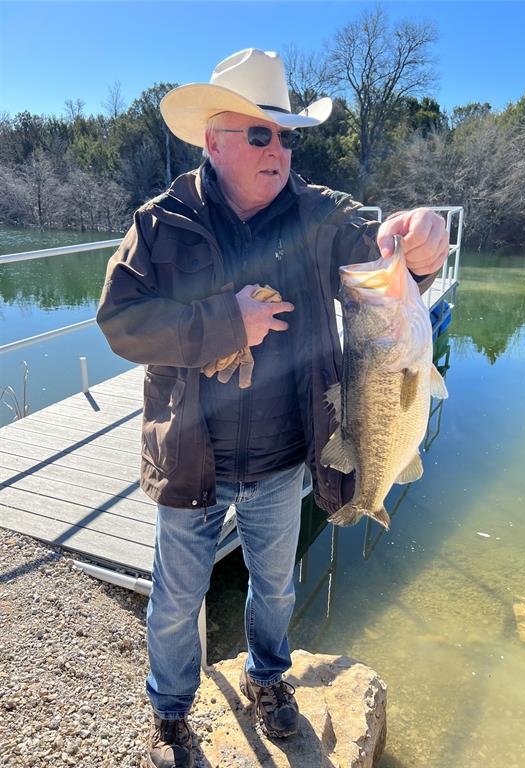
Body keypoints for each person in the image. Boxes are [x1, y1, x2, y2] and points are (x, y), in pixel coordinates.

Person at [97, 48, 448, 768]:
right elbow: (119, 322)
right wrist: (227, 322)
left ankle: (268, 680)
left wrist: (423, 240)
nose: (279, 149)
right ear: (213, 141)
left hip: (284, 457)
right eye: (260, 134)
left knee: (277, 587)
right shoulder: (160, 225)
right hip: (190, 458)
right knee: (174, 601)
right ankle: (170, 715)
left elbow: (386, 251)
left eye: (286, 135)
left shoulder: (320, 217)